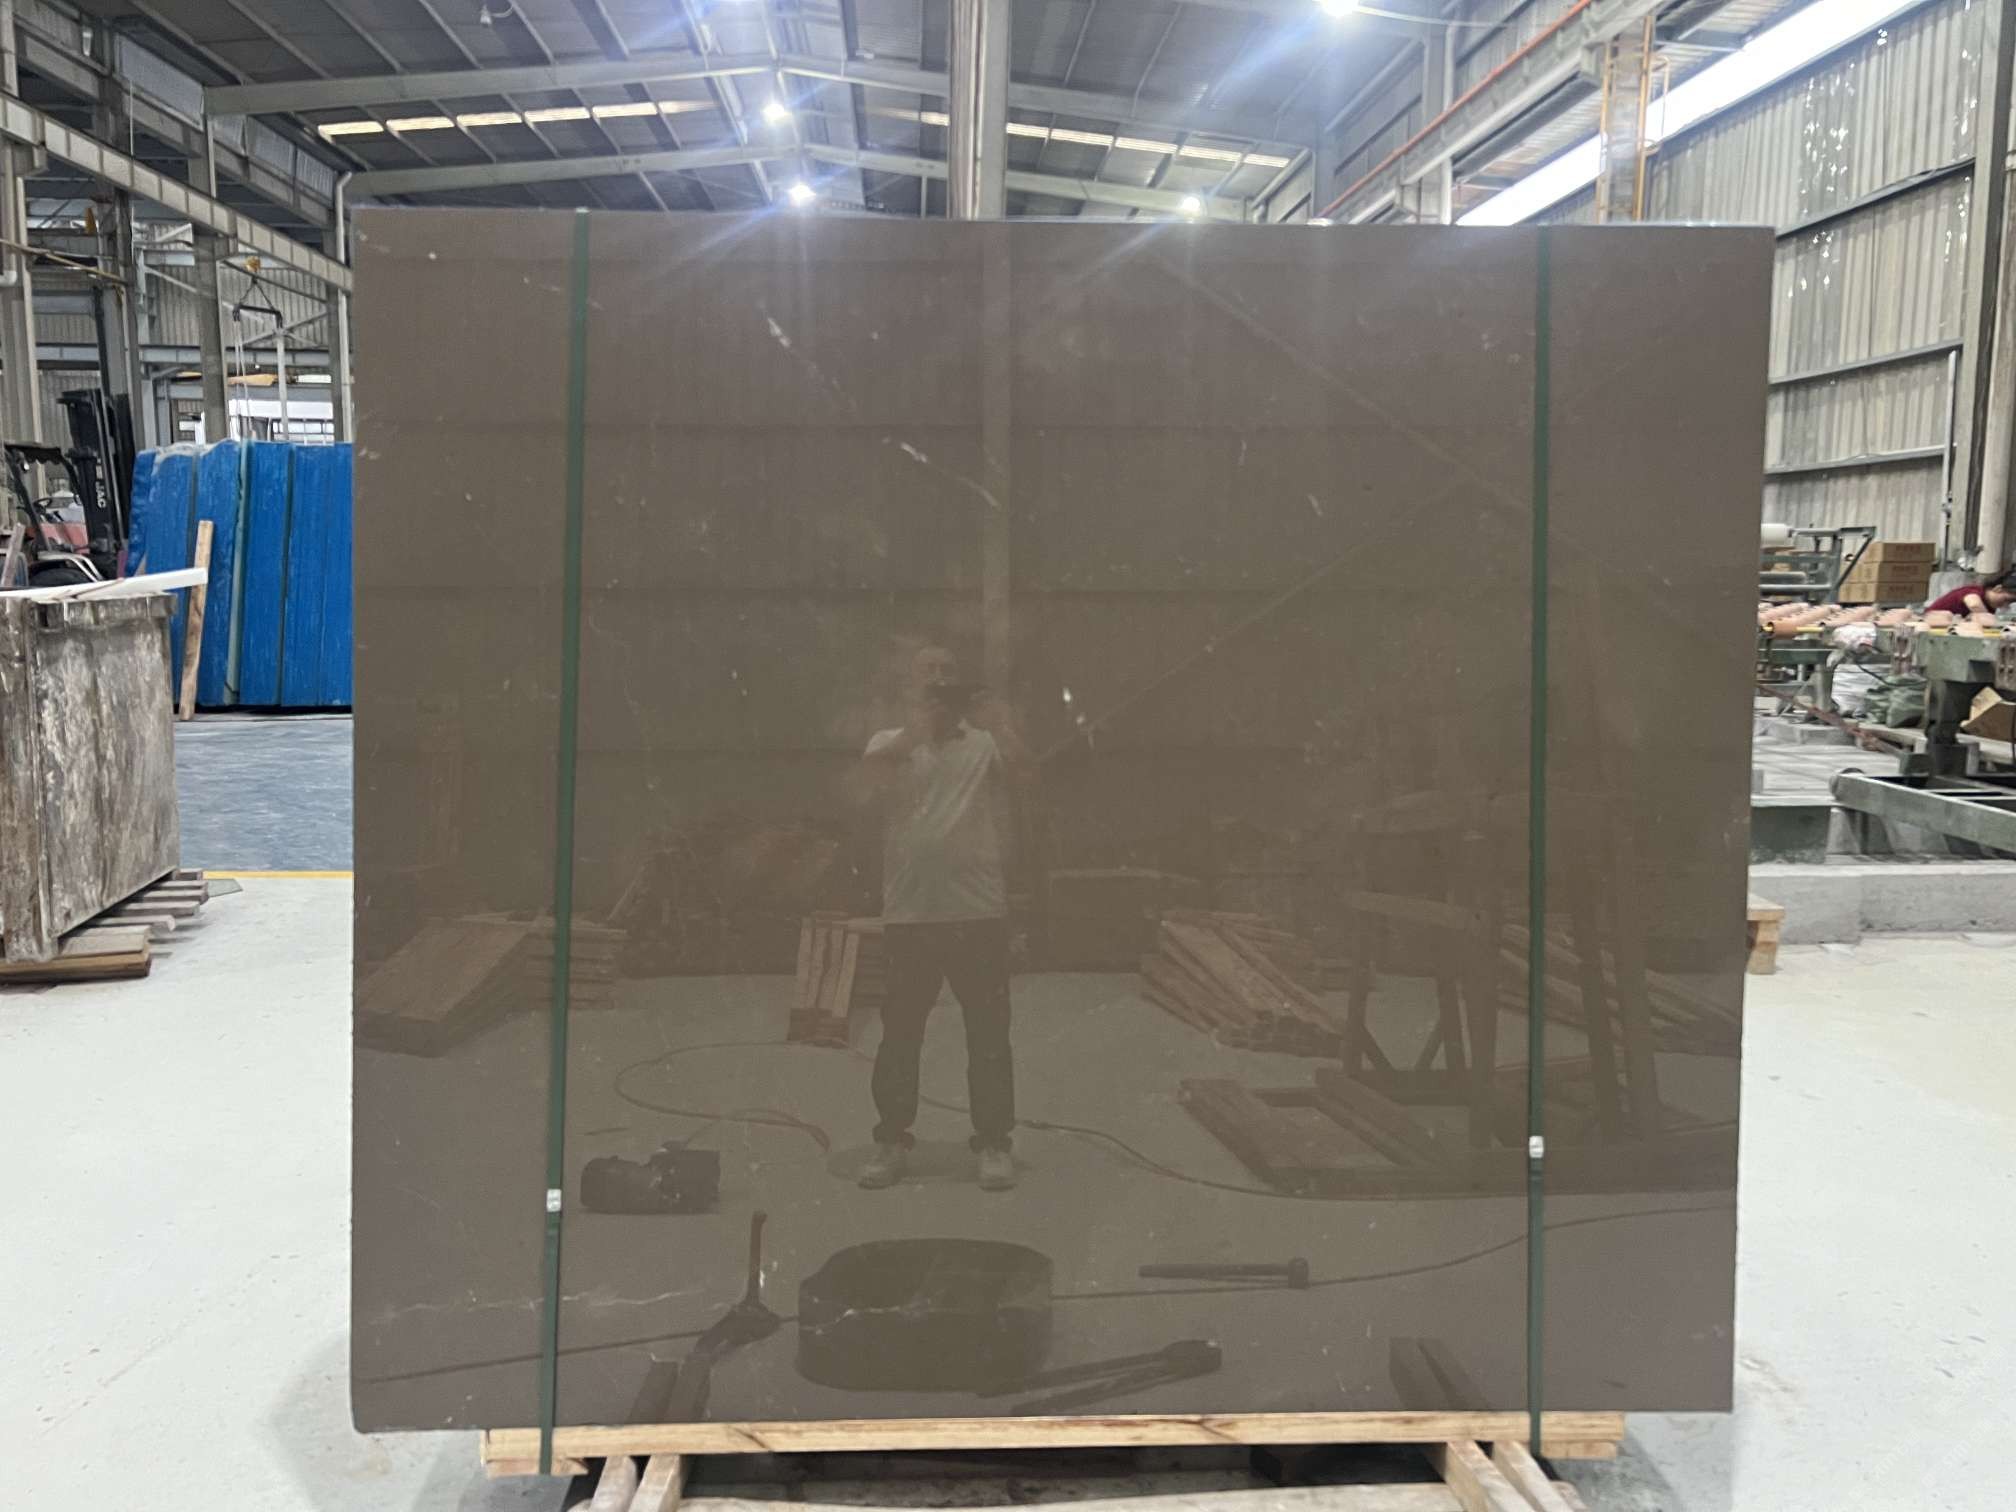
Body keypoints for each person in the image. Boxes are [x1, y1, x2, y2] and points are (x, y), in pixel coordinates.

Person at [848, 645, 1026, 1192]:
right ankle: (890, 1141)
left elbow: (1028, 783)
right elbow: (864, 791)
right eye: (929, 671)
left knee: (989, 1034)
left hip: (978, 912)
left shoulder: (984, 744)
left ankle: (993, 1143)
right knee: (901, 1035)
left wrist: (1002, 724)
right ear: (911, 686)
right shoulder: (889, 743)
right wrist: (918, 731)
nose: (940, 679)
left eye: (949, 671)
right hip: (911, 915)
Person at [1924, 569, 2016, 618]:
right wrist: (1990, 621)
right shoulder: (1975, 591)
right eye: (2006, 600)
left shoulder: (1990, 608)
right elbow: (1974, 604)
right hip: (1932, 619)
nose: (2006, 605)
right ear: (1998, 589)